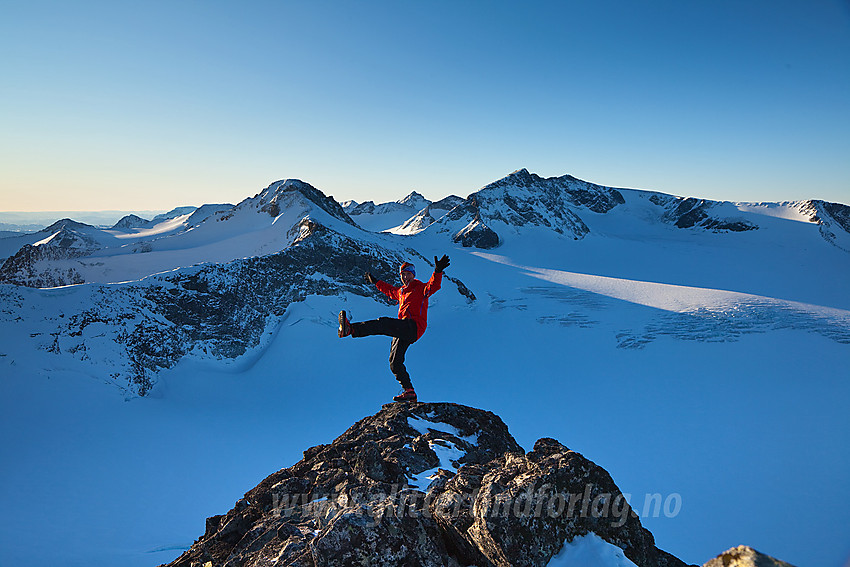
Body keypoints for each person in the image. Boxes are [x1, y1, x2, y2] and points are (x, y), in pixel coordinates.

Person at [338, 254, 450, 403]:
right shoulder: (401, 292)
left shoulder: (420, 288)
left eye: (407, 274)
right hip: (403, 328)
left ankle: (351, 329)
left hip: (413, 326)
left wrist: (438, 271)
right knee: (394, 362)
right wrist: (376, 282)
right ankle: (409, 392)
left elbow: (433, 285)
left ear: (413, 274)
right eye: (402, 275)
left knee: (383, 323)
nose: (405, 277)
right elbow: (390, 291)